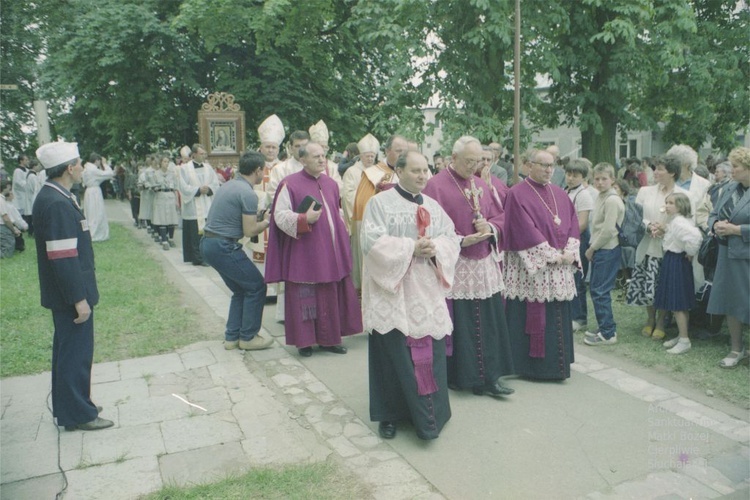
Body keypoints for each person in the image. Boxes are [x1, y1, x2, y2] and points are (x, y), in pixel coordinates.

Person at [361, 150, 460, 440]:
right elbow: (371, 241)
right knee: (393, 352)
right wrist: (410, 248)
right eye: (415, 171)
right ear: (399, 172)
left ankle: (433, 414)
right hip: (392, 290)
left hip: (425, 289)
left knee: (429, 349)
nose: (422, 176)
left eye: (425, 171)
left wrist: (436, 248)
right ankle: (389, 415)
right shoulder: (379, 203)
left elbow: (450, 237)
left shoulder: (433, 205)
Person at [423, 136, 515, 396]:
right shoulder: (435, 186)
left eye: (477, 161)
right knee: (461, 322)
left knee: (488, 321)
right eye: (468, 161)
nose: (473, 167)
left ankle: (491, 378)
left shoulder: (481, 184)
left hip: (483, 263)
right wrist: (462, 240)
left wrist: (491, 227)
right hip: (456, 264)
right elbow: (428, 227)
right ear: (453, 158)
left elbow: (500, 215)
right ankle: (462, 377)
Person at [33, 141, 113, 431]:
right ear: (69, 168)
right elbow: (63, 257)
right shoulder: (56, 202)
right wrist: (78, 298)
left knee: (69, 352)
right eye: (78, 163)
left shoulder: (56, 196)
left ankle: (74, 405)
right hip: (70, 295)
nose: (82, 168)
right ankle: (79, 414)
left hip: (66, 293)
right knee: (75, 355)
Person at [265, 143, 362, 356]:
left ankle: (330, 340)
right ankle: (305, 342)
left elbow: (336, 212)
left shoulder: (331, 183)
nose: (321, 160)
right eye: (316, 156)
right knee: (305, 295)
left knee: (329, 294)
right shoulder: (289, 184)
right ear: (303, 160)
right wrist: (303, 219)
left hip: (330, 252)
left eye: (323, 156)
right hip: (304, 251)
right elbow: (279, 216)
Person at [502, 148, 580, 380]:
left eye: (551, 165)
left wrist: (570, 251)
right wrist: (548, 254)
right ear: (528, 165)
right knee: (532, 311)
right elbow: (522, 227)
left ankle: (558, 364)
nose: (548, 169)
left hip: (560, 262)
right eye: (543, 165)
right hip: (533, 266)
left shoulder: (560, 193)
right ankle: (531, 367)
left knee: (557, 313)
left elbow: (573, 223)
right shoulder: (516, 193)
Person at [200, 151, 275, 351]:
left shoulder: (230, 185)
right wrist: (268, 221)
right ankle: (249, 337)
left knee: (240, 289)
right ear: (258, 170)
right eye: (263, 170)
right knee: (257, 286)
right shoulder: (248, 193)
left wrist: (257, 217)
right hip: (224, 246)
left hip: (209, 244)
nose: (263, 174)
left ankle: (232, 337)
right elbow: (250, 231)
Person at [627, 156, 690, 340]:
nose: (655, 172)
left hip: (670, 247)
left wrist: (666, 228)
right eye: (655, 168)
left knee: (663, 284)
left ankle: (662, 321)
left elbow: (687, 220)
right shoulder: (645, 191)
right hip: (647, 244)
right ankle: (650, 319)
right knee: (648, 283)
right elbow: (635, 217)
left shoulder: (682, 194)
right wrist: (648, 226)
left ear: (672, 172)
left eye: (660, 169)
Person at [708, 147, 750, 367]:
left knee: (746, 301)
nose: (730, 170)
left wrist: (737, 230)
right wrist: (715, 225)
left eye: (735, 166)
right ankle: (736, 348)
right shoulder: (729, 187)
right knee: (731, 301)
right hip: (727, 253)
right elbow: (713, 213)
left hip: (746, 255)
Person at [651, 193, 702, 354]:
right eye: (666, 202)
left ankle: (685, 340)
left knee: (678, 302)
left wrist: (690, 251)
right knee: (679, 303)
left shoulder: (679, 222)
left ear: (680, 205)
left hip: (676, 261)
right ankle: (682, 335)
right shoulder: (676, 221)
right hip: (674, 260)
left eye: (671, 203)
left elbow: (696, 237)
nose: (666, 205)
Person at [583, 163, 625, 346]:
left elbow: (608, 230)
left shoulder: (612, 200)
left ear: (612, 180)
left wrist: (592, 248)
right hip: (601, 248)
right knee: (596, 289)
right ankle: (604, 327)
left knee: (600, 291)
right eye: (597, 179)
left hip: (607, 248)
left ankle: (608, 333)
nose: (599, 182)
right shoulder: (601, 196)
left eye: (604, 179)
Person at [342, 133, 380, 290]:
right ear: (361, 155)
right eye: (367, 156)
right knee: (360, 254)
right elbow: (347, 194)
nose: (370, 159)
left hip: (377, 219)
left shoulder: (379, 171)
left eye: (372, 156)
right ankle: (360, 288)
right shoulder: (352, 171)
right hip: (360, 217)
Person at [248, 114, 285, 272]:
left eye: (274, 147)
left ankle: (275, 295)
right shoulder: (251, 166)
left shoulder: (285, 168)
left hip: (278, 217)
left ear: (278, 149)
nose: (270, 150)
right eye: (267, 146)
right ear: (261, 147)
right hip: (256, 216)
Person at [351, 134, 409, 230]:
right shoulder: (371, 175)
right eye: (398, 151)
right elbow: (363, 208)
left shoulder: (411, 174)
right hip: (382, 229)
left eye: (405, 152)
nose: (402, 155)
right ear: (387, 151)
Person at [564, 159, 595, 331]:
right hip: (568, 238)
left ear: (583, 178)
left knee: (577, 279)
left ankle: (579, 317)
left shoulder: (583, 195)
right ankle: (571, 313)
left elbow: (582, 223)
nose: (570, 178)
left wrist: (567, 235)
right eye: (569, 174)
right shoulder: (566, 190)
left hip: (579, 238)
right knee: (569, 278)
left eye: (575, 176)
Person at [178, 144, 219, 266]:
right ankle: (196, 257)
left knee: (206, 233)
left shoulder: (208, 167)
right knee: (194, 234)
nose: (203, 156)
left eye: (204, 154)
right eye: (201, 154)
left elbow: (215, 183)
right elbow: (183, 186)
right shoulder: (184, 169)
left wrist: (209, 189)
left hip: (206, 204)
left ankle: (206, 256)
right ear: (194, 154)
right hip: (193, 206)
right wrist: (197, 190)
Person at [82, 153, 115, 242]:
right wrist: (105, 164)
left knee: (90, 212)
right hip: (94, 192)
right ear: (97, 161)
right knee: (96, 212)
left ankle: (92, 232)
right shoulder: (93, 170)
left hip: (89, 191)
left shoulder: (86, 169)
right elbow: (108, 174)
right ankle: (95, 233)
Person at [152, 155, 179, 250]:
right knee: (162, 218)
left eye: (167, 162)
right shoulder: (156, 174)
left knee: (171, 218)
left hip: (170, 195)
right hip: (161, 195)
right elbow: (153, 186)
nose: (166, 163)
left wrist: (176, 200)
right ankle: (164, 240)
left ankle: (171, 238)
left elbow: (176, 186)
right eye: (164, 161)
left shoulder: (172, 174)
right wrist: (156, 187)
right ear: (160, 163)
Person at [1, 180, 25, 258]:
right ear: (5, 188)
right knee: (7, 252)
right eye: (9, 188)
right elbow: (6, 218)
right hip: (2, 226)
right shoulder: (1, 200)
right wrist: (13, 229)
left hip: (4, 225)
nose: (10, 190)